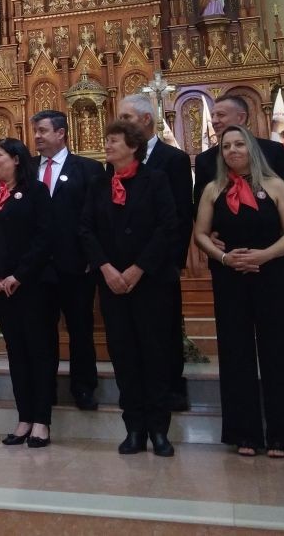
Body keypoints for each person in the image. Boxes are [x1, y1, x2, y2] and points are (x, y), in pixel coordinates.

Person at [194, 125, 284, 458]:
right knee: (236, 352)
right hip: (229, 276)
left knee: (279, 350)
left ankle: (282, 432)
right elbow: (201, 233)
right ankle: (244, 431)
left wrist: (263, 255)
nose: (232, 151)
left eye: (239, 145)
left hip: (271, 272)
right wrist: (223, 257)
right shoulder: (212, 189)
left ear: (252, 149)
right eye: (226, 146)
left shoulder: (275, 185)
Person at [80, 121, 179, 457]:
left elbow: (168, 227)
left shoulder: (156, 179)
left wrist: (139, 268)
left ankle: (159, 430)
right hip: (111, 284)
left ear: (133, 146)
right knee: (123, 356)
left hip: (150, 282)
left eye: (113, 141)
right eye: (106, 141)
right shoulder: (98, 183)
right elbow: (86, 230)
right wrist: (106, 268)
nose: (106, 145)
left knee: (155, 354)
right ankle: (133, 427)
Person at [0, 138, 54, 448]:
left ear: (17, 159)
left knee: (39, 351)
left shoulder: (36, 192)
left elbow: (44, 237)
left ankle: (42, 421)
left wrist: (19, 274)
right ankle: (24, 417)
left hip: (32, 284)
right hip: (0, 287)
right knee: (17, 353)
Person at [118, 94, 195, 412]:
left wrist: (174, 262)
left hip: (160, 264)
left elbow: (179, 216)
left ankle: (172, 388)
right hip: (125, 264)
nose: (121, 124)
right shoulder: (117, 162)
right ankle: (137, 392)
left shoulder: (172, 160)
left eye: (127, 118)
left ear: (146, 120)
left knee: (164, 329)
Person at [28, 110, 103, 411]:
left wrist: (91, 258)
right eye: (35, 131)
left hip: (76, 265)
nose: (37, 136)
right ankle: (44, 389)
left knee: (80, 329)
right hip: (36, 269)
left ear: (61, 133)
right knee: (41, 331)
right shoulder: (27, 169)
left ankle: (83, 387)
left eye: (43, 130)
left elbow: (96, 217)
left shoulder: (88, 169)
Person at [193, 95, 284, 207]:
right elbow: (200, 207)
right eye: (213, 116)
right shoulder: (204, 159)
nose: (214, 121)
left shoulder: (273, 150)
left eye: (220, 115)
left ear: (241, 118)